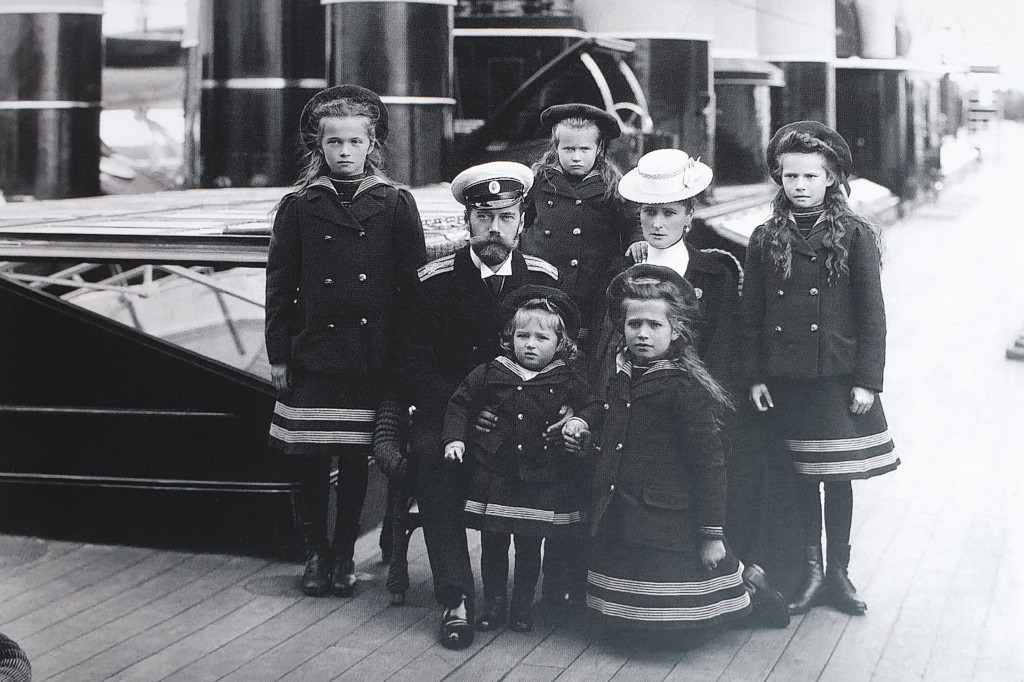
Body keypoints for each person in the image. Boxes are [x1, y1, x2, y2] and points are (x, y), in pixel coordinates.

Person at [265, 84, 427, 598]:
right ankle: (314, 552)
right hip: (313, 353)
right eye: (334, 142)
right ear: (319, 146)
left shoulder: (395, 203)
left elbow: (413, 288)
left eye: (355, 142)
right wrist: (278, 355)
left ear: (371, 144)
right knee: (310, 457)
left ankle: (343, 554)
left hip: (370, 354)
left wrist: (407, 357)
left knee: (356, 458)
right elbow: (279, 284)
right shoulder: (298, 206)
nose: (344, 151)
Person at [396, 161, 559, 650]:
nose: (494, 229)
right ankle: (456, 599)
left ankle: (541, 591)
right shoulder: (435, 280)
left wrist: (508, 411)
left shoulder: (543, 280)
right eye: (483, 217)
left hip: (522, 415)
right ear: (465, 221)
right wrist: (464, 417)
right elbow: (414, 367)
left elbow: (558, 360)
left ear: (522, 222)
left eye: (506, 217)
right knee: (431, 457)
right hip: (451, 411)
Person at [741, 120, 898, 616]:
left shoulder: (854, 235)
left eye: (810, 176)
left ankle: (838, 575)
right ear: (779, 179)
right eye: (790, 177)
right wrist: (756, 375)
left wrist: (867, 381)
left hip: (835, 376)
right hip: (787, 377)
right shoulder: (765, 237)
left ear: (830, 178)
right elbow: (752, 315)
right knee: (803, 477)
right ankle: (810, 572)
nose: (800, 186)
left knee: (837, 475)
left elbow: (872, 315)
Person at [587, 264, 755, 634]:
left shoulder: (684, 388)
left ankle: (757, 594)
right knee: (622, 624)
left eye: (654, 325)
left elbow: (709, 465)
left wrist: (711, 534)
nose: (642, 334)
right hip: (625, 514)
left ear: (675, 330)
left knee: (676, 630)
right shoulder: (620, 376)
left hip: (670, 520)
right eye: (634, 324)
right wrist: (586, 431)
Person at [442, 286, 601, 633]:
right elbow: (460, 403)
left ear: (560, 344)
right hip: (497, 473)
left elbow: (593, 404)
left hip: (541, 475)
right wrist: (455, 439)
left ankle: (522, 606)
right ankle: (494, 603)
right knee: (493, 544)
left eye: (542, 338)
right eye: (522, 336)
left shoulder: (566, 378)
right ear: (509, 338)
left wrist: (578, 419)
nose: (530, 344)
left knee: (530, 546)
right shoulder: (492, 372)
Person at [520, 103, 645, 351]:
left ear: (598, 149)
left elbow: (631, 222)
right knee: (544, 333)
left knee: (587, 341)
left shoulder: (612, 185)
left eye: (584, 149)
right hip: (544, 277)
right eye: (568, 149)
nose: (576, 157)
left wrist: (637, 240)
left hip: (592, 280)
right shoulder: (540, 180)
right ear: (556, 148)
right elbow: (523, 217)